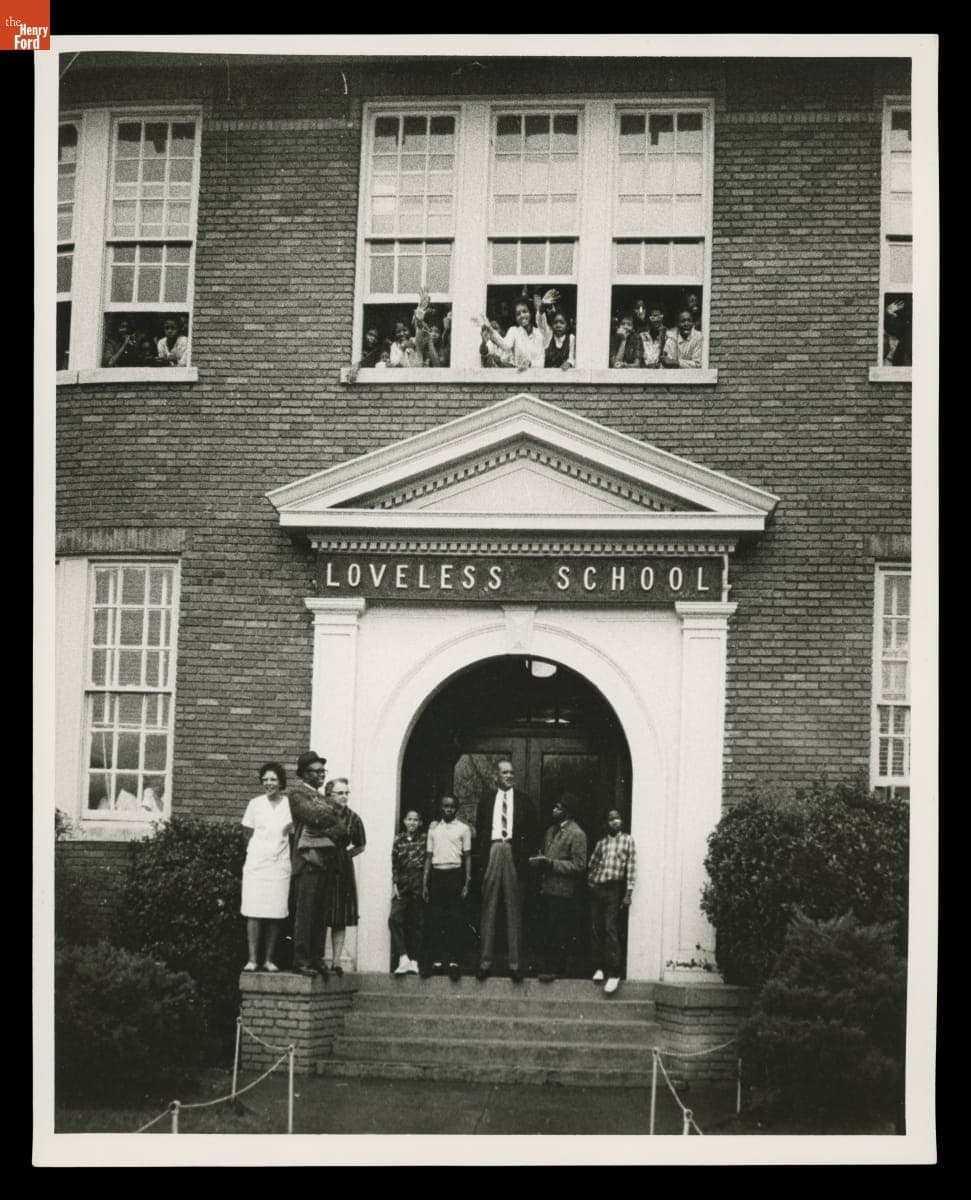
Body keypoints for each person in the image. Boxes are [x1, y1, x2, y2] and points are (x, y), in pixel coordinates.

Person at [474, 758, 538, 982]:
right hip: (492, 850)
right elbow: (481, 829)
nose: (509, 776)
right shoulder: (486, 800)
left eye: (511, 772)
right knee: (488, 908)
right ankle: (484, 963)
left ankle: (515, 964)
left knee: (514, 909)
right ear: (496, 776)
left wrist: (523, 855)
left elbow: (532, 832)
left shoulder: (524, 801)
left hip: (513, 852)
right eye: (504, 773)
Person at [288, 750, 346, 978]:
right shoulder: (296, 795)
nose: (321, 775)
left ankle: (317, 958)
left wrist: (327, 816)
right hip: (308, 862)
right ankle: (301, 960)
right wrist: (330, 815)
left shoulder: (323, 799)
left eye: (323, 771)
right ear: (304, 774)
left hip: (327, 862)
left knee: (321, 913)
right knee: (306, 912)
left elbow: (343, 830)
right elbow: (312, 816)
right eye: (316, 771)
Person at [240, 762, 293, 973]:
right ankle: (252, 959)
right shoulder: (255, 804)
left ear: (281, 782)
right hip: (257, 866)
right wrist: (256, 855)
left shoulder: (289, 805)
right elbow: (247, 833)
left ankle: (269, 959)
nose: (269, 784)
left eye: (273, 780)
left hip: (279, 865)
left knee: (275, 912)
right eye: (265, 780)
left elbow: (293, 831)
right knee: (254, 911)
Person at [530, 794, 588, 982]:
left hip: (563, 892)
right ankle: (547, 966)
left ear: (568, 813)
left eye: (558, 808)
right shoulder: (550, 831)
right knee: (547, 930)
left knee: (559, 931)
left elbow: (580, 865)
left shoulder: (577, 834)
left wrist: (551, 864)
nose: (554, 811)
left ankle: (556, 969)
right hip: (546, 889)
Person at [587, 808, 637, 995]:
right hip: (599, 888)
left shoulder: (627, 840)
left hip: (614, 889)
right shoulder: (602, 843)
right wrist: (591, 882)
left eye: (617, 818)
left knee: (610, 927)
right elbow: (592, 864)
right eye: (611, 819)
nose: (615, 822)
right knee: (596, 927)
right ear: (606, 823)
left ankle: (614, 972)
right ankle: (598, 968)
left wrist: (628, 892)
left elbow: (631, 867)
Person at [422, 795, 472, 980]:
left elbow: (467, 856)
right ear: (441, 808)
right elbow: (428, 856)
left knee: (455, 919)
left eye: (452, 807)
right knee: (435, 919)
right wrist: (425, 883)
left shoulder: (463, 829)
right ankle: (435, 960)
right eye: (445, 806)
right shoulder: (434, 829)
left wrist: (467, 881)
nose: (449, 809)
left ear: (456, 808)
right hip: (437, 874)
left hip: (455, 874)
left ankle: (454, 961)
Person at [322, 777, 364, 977]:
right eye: (340, 793)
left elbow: (361, 844)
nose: (345, 796)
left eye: (347, 793)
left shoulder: (353, 818)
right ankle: (318, 959)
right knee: (321, 912)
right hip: (321, 864)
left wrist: (346, 855)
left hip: (342, 868)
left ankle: (336, 961)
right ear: (329, 795)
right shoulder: (321, 815)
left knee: (340, 915)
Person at [480, 289, 559, 371]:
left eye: (525, 311)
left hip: (538, 378)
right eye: (518, 314)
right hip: (519, 378)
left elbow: (541, 322)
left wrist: (542, 307)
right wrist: (490, 330)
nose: (522, 315)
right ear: (515, 318)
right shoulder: (514, 331)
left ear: (530, 313)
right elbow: (505, 346)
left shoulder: (540, 333)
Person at [388, 808, 425, 975]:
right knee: (394, 918)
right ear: (404, 821)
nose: (412, 823)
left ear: (420, 822)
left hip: (418, 879)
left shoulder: (424, 839)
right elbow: (394, 864)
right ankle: (403, 957)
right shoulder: (398, 840)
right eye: (409, 819)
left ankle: (415, 960)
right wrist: (395, 885)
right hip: (402, 881)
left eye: (415, 820)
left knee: (416, 921)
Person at [639, 302, 672, 369]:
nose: (656, 320)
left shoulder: (669, 335)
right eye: (653, 317)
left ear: (662, 317)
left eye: (658, 316)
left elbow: (667, 358)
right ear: (648, 318)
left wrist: (662, 336)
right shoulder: (642, 335)